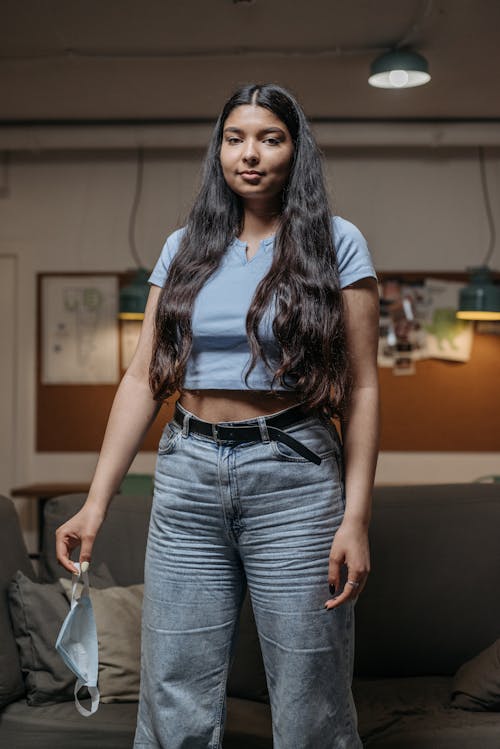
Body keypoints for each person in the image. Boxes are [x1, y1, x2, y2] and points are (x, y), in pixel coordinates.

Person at [56, 83, 379, 749]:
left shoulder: (337, 242)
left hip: (294, 475)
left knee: (311, 699)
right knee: (174, 691)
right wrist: (95, 502)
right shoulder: (185, 246)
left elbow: (365, 389)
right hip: (189, 472)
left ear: (297, 150)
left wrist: (355, 518)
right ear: (219, 150)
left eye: (270, 138)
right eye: (235, 138)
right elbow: (145, 375)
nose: (250, 154)